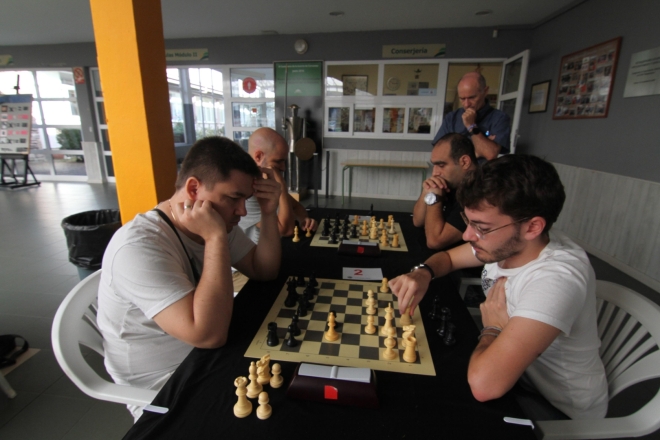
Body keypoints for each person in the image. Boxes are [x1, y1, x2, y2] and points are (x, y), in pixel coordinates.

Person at [390, 154, 608, 420]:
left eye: (481, 227)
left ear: (533, 227)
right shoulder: (508, 243)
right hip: (517, 380)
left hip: (557, 408)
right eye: (468, 221)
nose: (468, 235)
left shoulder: (555, 279)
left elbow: (485, 386)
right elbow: (447, 258)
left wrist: (492, 327)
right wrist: (423, 273)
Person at [97, 136, 282, 420]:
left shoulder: (216, 222)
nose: (243, 211)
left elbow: (264, 270)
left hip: (205, 353)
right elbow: (208, 336)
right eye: (233, 198)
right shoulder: (138, 247)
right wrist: (215, 238)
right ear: (194, 189)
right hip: (164, 380)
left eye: (246, 200)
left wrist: (269, 213)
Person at [239, 127, 317, 244]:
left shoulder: (263, 179)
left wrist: (304, 220)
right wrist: (281, 185)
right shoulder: (246, 189)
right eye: (278, 161)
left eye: (284, 161)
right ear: (258, 156)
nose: (284, 168)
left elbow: (296, 207)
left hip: (276, 246)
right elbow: (286, 230)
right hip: (258, 253)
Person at [412, 133, 477, 249]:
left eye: (441, 165)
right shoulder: (452, 182)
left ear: (465, 162)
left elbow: (435, 242)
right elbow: (417, 221)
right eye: (434, 165)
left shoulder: (479, 192)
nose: (435, 173)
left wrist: (434, 197)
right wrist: (427, 191)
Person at [432, 72, 511, 160]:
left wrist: (471, 126)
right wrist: (477, 151)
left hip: (482, 169)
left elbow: (490, 154)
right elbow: (438, 151)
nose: (466, 104)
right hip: (455, 169)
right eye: (462, 98)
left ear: (485, 91)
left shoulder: (499, 118)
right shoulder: (452, 118)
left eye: (472, 98)